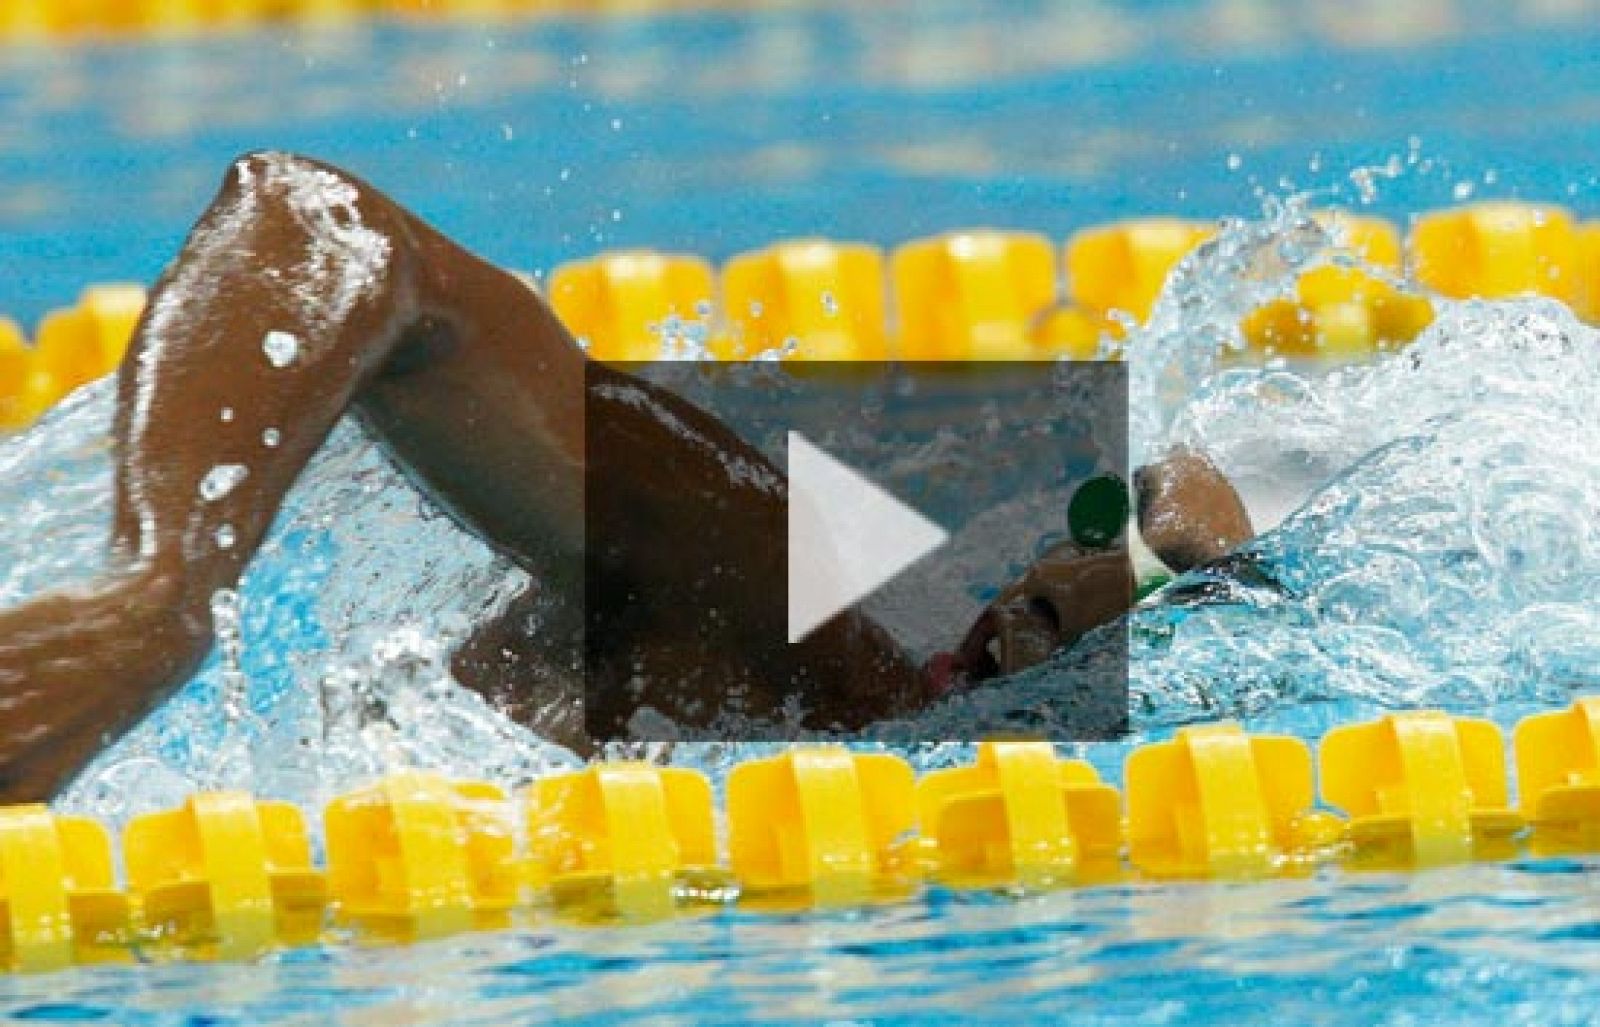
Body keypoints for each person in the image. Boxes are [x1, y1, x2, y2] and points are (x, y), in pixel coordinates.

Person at [0, 152, 1253, 803]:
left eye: (1079, 619)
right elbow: (317, 223)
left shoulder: (835, 703)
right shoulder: (775, 577)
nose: (1032, 604)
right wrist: (161, 585)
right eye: (1081, 554)